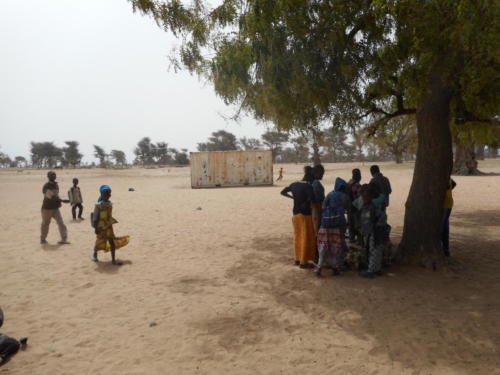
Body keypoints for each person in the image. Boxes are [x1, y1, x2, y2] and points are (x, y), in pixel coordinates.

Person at [281, 169, 316, 268]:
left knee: (297, 236)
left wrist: (293, 198)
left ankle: (297, 259)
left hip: (295, 214)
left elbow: (283, 192)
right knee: (306, 238)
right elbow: (312, 199)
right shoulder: (308, 186)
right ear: (310, 179)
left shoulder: (294, 184)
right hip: (305, 215)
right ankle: (303, 262)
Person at [314, 180, 348, 277]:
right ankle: (335, 268)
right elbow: (348, 210)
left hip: (325, 225)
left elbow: (323, 207)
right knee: (336, 248)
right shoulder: (346, 197)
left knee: (323, 248)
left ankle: (319, 269)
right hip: (338, 225)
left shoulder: (330, 194)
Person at [91, 185, 130, 265]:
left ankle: (113, 260)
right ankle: (95, 255)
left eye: (108, 193)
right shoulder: (98, 205)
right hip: (101, 228)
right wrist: (95, 228)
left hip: (109, 227)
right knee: (99, 242)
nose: (107, 195)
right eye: (105, 193)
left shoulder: (110, 204)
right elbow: (95, 218)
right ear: (101, 194)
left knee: (111, 242)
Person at [358, 184, 388, 278]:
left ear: (371, 196)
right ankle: (376, 269)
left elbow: (382, 217)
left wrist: (377, 227)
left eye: (365, 196)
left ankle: (371, 270)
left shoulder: (373, 206)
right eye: (363, 196)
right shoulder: (365, 206)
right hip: (370, 231)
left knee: (374, 250)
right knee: (374, 250)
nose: (364, 198)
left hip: (375, 231)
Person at [40, 171, 69, 245]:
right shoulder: (46, 186)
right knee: (45, 224)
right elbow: (50, 197)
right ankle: (43, 239)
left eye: (54, 175)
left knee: (61, 223)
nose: (54, 176)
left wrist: (61, 200)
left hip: (55, 208)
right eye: (52, 175)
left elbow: (56, 196)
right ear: (48, 176)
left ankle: (64, 239)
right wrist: (62, 200)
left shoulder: (56, 185)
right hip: (47, 208)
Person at [442, 178, 456, 257]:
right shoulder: (446, 176)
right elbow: (454, 184)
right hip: (448, 204)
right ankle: (446, 249)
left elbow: (452, 184)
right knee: (445, 226)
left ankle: (444, 249)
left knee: (442, 228)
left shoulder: (443, 178)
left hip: (445, 205)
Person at [346, 169, 362, 243]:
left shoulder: (348, 183)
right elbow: (359, 198)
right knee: (358, 226)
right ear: (358, 176)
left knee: (351, 226)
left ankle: (351, 241)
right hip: (356, 209)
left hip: (349, 208)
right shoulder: (358, 185)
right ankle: (359, 242)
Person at [311, 165, 325, 233]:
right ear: (316, 173)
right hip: (317, 208)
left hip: (315, 207)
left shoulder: (312, 182)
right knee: (317, 227)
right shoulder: (316, 183)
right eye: (321, 173)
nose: (322, 175)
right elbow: (317, 197)